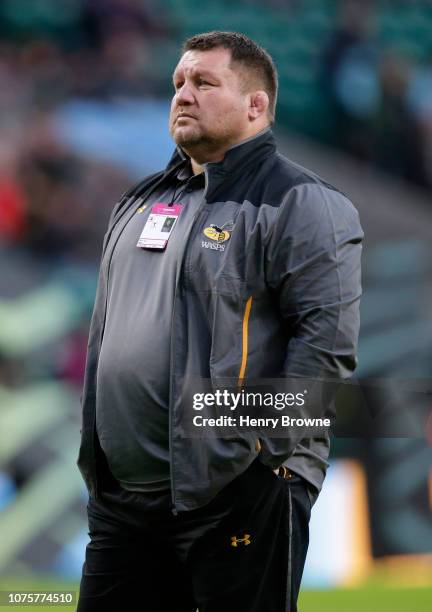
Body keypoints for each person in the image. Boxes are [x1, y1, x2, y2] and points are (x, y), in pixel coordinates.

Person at [76, 31, 363, 612]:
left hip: (237, 493)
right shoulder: (137, 201)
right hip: (125, 502)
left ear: (255, 105)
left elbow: (325, 349)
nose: (184, 94)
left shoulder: (303, 201)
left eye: (204, 83)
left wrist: (264, 457)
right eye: (178, 83)